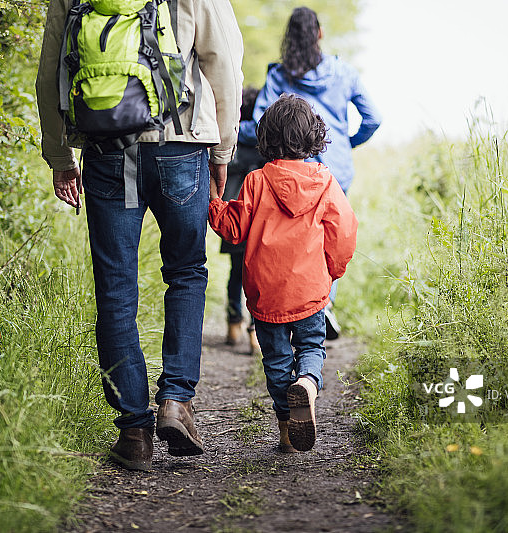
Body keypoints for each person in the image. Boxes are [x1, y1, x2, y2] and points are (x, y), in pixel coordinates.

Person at [35, 0, 243, 471]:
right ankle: (175, 401)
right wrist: (223, 149)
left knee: (115, 287)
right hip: (179, 143)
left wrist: (61, 155)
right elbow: (223, 60)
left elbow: (51, 67)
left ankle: (133, 430)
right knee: (187, 271)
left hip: (108, 149)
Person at [208, 95, 358, 452]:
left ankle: (288, 432)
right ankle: (307, 382)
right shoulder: (324, 181)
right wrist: (332, 271)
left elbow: (234, 229)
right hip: (310, 291)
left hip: (266, 294)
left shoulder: (257, 181)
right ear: (313, 137)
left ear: (266, 137)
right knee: (310, 346)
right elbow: (345, 231)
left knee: (275, 361)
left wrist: (214, 202)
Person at [253, 6, 381, 339]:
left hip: (285, 167)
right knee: (329, 235)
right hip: (334, 169)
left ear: (289, 38)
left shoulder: (279, 76)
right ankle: (322, 304)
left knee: (289, 238)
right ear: (319, 33)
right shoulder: (345, 72)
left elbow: (257, 121)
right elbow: (373, 118)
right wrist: (347, 144)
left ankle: (288, 308)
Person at [222, 87, 265, 354]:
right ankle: (254, 329)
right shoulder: (264, 148)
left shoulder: (231, 142)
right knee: (257, 274)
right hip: (258, 219)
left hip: (234, 216)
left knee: (235, 272)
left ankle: (233, 323)